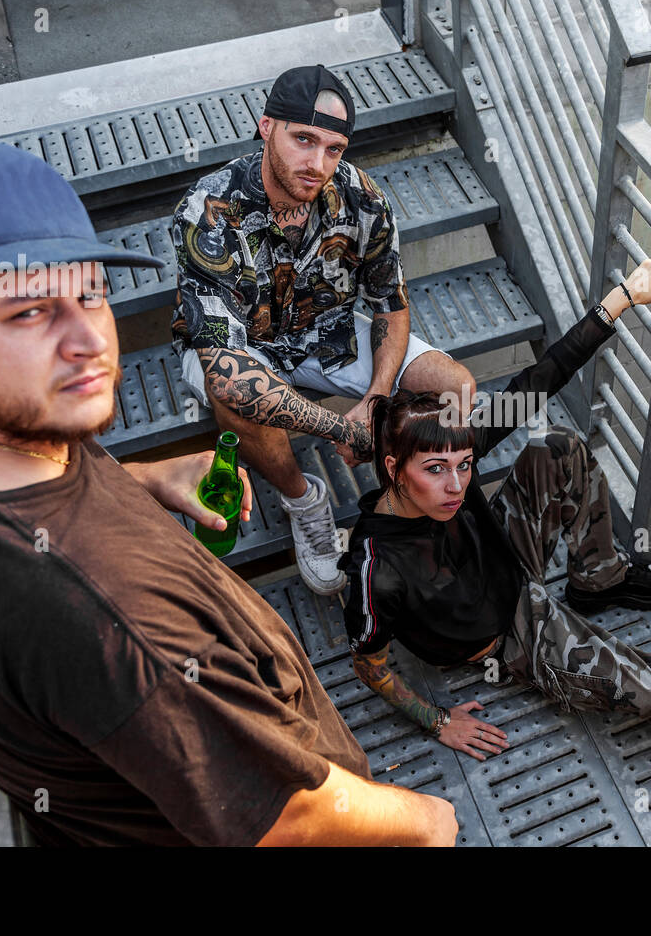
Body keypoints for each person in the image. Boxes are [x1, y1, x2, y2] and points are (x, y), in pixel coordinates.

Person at [0, 139, 457, 846]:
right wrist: (426, 823)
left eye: (91, 293)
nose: (90, 342)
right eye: (29, 312)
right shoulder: (109, 613)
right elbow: (291, 818)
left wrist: (137, 479)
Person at [339, 258, 651, 760]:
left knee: (557, 449)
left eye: (464, 464)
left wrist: (622, 298)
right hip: (508, 632)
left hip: (505, 555)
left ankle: (600, 577)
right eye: (435, 470)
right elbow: (369, 667)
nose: (457, 484)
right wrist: (437, 721)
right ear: (394, 467)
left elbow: (536, 382)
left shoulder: (453, 456)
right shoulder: (377, 572)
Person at [172, 64, 475, 596]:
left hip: (326, 332)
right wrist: (343, 428)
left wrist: (377, 402)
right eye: (303, 140)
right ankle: (303, 501)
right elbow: (226, 369)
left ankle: (405, 499)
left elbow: (392, 307)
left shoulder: (362, 198)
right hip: (238, 345)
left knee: (456, 388)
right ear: (267, 128)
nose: (317, 164)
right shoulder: (210, 212)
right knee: (239, 398)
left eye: (333, 148)